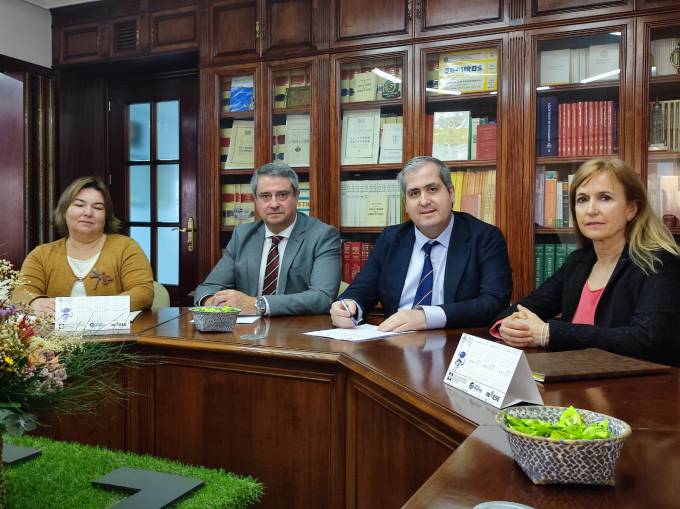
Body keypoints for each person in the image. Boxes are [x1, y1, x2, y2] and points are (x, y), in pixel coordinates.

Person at [494, 158, 680, 366]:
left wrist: (549, 333)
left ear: (631, 209)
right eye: (582, 199)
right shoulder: (579, 262)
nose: (591, 210)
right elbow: (522, 308)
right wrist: (509, 325)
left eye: (605, 198)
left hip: (635, 384)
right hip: (573, 378)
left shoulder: (660, 263)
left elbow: (646, 341)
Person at [330, 156, 512, 332]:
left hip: (453, 342)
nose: (424, 201)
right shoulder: (391, 239)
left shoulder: (484, 238)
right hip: (394, 343)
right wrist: (348, 306)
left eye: (432, 189)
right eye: (414, 193)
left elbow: (494, 302)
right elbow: (362, 289)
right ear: (406, 205)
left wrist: (427, 316)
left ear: (451, 194)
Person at [194, 162, 341, 316]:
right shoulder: (242, 235)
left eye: (282, 195)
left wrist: (257, 304)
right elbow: (208, 288)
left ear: (296, 195)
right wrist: (213, 303)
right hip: (247, 328)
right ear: (255, 199)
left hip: (298, 327)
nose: (274, 204)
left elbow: (323, 297)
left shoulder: (322, 235)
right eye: (265, 196)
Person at [13, 176, 154, 312]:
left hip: (111, 328)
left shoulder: (126, 248)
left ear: (106, 216)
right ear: (64, 211)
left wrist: (98, 308)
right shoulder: (41, 254)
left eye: (98, 207)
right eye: (79, 205)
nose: (88, 213)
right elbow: (19, 294)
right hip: (53, 329)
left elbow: (144, 292)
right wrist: (35, 302)